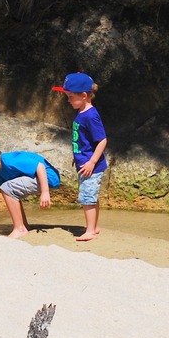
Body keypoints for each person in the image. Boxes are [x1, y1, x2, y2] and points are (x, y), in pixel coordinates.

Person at [52, 72, 108, 241]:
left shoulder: (90, 116)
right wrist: (77, 156)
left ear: (84, 95)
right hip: (83, 162)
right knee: (90, 196)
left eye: (70, 97)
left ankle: (90, 231)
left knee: (87, 198)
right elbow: (83, 140)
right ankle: (94, 227)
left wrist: (92, 161)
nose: (68, 101)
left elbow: (102, 140)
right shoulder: (82, 113)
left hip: (91, 166)